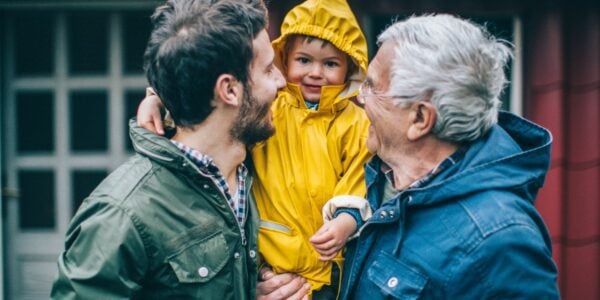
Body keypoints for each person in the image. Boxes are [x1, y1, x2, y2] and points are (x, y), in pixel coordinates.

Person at [261, 13, 560, 299]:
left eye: (372, 87)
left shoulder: (500, 246)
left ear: (419, 118)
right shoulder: (376, 179)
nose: (359, 98)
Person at [49, 0, 311, 298]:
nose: (281, 80)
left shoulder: (254, 169)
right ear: (228, 90)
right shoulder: (121, 215)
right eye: (267, 70)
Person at [138, 0, 372, 297]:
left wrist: (346, 220)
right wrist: (159, 99)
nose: (315, 73)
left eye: (330, 64)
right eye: (304, 60)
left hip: (328, 261)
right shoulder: (272, 106)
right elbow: (211, 110)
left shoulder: (354, 123)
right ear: (286, 59)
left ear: (349, 66)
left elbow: (359, 176)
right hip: (269, 255)